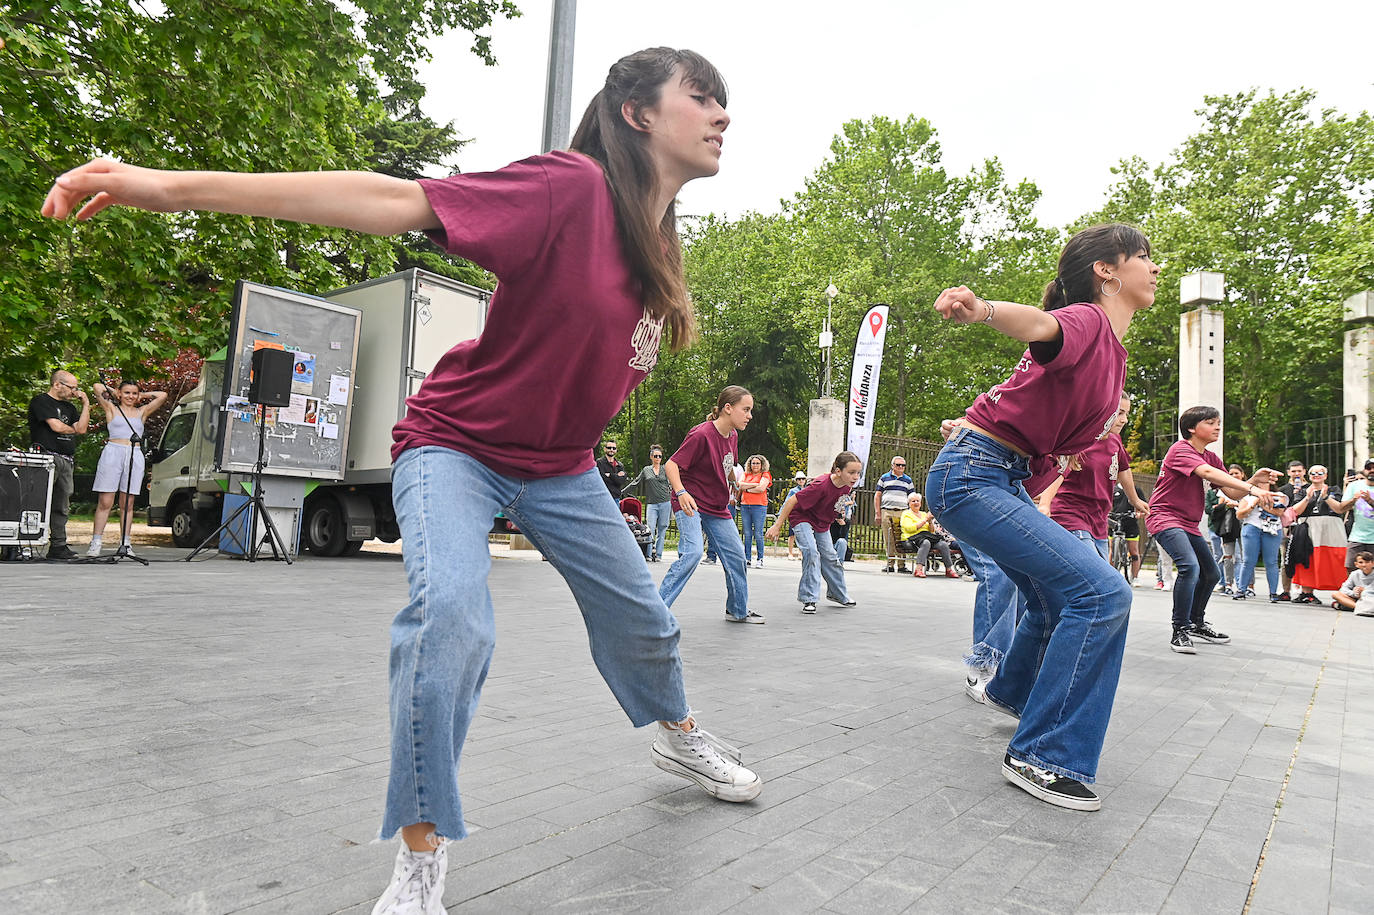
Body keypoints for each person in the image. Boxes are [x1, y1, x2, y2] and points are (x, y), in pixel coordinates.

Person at [44, 47, 763, 913]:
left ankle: (677, 734)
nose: (723, 114)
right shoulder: (567, 188)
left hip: (562, 467)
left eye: (725, 101)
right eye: (704, 97)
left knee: (645, 621)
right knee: (450, 616)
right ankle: (422, 853)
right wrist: (163, 185)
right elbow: (388, 199)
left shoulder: (663, 242)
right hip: (456, 444)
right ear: (639, 113)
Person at [927, 223, 1156, 812]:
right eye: (1144, 258)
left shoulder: (1113, 354)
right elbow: (1040, 325)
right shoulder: (1088, 320)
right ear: (1107, 270)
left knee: (1059, 595)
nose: (1155, 269)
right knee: (1102, 595)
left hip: (994, 475)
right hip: (974, 475)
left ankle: (1013, 692)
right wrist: (982, 310)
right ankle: (1044, 756)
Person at [1147, 405, 1277, 654]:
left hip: (1188, 522)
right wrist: (1253, 490)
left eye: (1218, 422)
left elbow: (1232, 492)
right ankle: (1180, 630)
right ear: (1192, 428)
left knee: (1211, 574)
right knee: (1189, 567)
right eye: (1210, 422)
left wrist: (1253, 481)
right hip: (1165, 516)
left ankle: (1196, 623)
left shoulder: (1211, 457)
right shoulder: (1180, 450)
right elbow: (1205, 472)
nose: (1218, 426)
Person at [659, 385, 764, 624]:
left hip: (717, 507)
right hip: (691, 503)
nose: (750, 415)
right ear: (728, 408)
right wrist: (681, 491)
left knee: (737, 556)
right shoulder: (701, 434)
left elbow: (725, 464)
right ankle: (654, 611)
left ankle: (737, 610)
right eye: (745, 410)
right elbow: (671, 465)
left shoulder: (733, 435)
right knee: (693, 553)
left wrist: (734, 483)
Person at [1041, 394, 1150, 560]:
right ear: (1104, 410)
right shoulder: (1081, 441)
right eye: (1119, 413)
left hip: (1099, 523)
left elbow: (1124, 469)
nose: (1125, 420)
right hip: (1071, 517)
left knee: (1101, 583)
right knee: (1096, 577)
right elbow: (1059, 473)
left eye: (1126, 414)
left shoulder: (1115, 441)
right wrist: (1044, 505)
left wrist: (1135, 500)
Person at [767, 451, 861, 614]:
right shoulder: (821, 484)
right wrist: (777, 525)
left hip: (821, 522)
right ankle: (809, 598)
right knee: (811, 552)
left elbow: (834, 502)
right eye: (851, 472)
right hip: (802, 517)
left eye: (858, 473)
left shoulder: (847, 486)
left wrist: (838, 515)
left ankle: (837, 594)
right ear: (838, 471)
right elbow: (792, 500)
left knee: (830, 557)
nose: (855, 477)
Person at [87, 380, 168, 556]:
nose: (130, 396)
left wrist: (143, 395)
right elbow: (97, 387)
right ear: (120, 394)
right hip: (113, 452)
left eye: (133, 393)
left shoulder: (142, 412)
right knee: (105, 501)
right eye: (126, 393)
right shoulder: (111, 408)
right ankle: (96, 541)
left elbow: (163, 396)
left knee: (128, 502)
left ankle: (126, 543)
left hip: (134, 453)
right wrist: (114, 392)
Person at [27, 369, 91, 560]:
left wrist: (86, 404)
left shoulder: (70, 408)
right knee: (37, 501)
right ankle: (26, 543)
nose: (74, 392)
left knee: (61, 504)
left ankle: (58, 545)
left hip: (66, 459)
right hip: (46, 458)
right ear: (57, 385)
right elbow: (56, 426)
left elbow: (82, 428)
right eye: (72, 387)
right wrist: (74, 429)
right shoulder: (41, 401)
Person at [1233, 472, 1288, 603]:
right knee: (1248, 560)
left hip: (1272, 529)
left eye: (1265, 482)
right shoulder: (1247, 497)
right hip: (1252, 527)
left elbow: (1279, 512)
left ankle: (1273, 593)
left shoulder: (1279, 496)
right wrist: (1253, 504)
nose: (1263, 485)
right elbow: (1240, 514)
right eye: (1260, 483)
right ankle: (1241, 589)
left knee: (1272, 562)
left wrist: (1263, 505)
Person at [1205, 464, 1247, 594]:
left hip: (1242, 525)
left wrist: (1238, 504)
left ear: (1243, 474)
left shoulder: (1247, 489)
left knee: (1241, 557)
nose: (1234, 476)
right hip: (1224, 527)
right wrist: (1223, 504)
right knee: (1224, 556)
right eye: (1231, 474)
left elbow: (1251, 504)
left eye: (1236, 473)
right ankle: (1226, 583)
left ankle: (1242, 585)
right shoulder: (1222, 491)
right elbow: (1209, 509)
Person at [628, 445, 672, 562]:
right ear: (651, 457)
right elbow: (635, 482)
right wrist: (622, 492)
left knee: (662, 528)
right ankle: (648, 554)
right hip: (652, 504)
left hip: (665, 502)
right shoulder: (646, 470)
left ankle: (658, 555)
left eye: (660, 456)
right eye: (655, 456)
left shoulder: (665, 469)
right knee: (650, 528)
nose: (658, 458)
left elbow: (673, 482)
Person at [899, 492, 957, 578]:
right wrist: (925, 519)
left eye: (917, 501)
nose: (916, 503)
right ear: (909, 503)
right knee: (926, 543)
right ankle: (918, 569)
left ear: (920, 503)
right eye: (913, 501)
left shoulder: (923, 514)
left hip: (925, 537)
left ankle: (949, 569)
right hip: (910, 538)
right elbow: (909, 528)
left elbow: (931, 531)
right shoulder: (906, 513)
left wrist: (929, 521)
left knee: (943, 544)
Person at [874, 456, 914, 572]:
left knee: (902, 537)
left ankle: (902, 565)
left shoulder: (908, 480)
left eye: (903, 465)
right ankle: (890, 564)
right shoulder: (884, 478)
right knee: (889, 538)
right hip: (887, 510)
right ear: (892, 466)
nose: (901, 467)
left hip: (903, 511)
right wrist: (878, 513)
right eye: (898, 465)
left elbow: (912, 497)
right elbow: (877, 495)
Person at [1275, 460, 1307, 600]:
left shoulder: (1309, 488)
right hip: (1287, 529)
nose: (1296, 474)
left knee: (1304, 558)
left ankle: (1305, 591)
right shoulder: (1282, 490)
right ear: (1288, 472)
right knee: (1285, 559)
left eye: (1299, 471)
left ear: (1304, 471)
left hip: (1304, 528)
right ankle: (1286, 590)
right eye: (1293, 471)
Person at [738, 454, 771, 568]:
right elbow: (739, 485)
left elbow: (762, 488)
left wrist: (746, 488)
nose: (755, 465)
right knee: (747, 533)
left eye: (757, 463)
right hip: (745, 506)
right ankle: (747, 558)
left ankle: (760, 558)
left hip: (759, 506)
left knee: (758, 533)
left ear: (762, 464)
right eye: (753, 463)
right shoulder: (746, 474)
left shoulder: (765, 474)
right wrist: (755, 485)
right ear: (750, 464)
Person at [782, 471, 806, 559]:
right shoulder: (793, 491)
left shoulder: (807, 489)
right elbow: (787, 502)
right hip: (795, 514)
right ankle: (790, 552)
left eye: (803, 479)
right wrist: (782, 513)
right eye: (799, 479)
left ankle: (800, 553)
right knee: (792, 534)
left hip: (804, 514)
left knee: (802, 535)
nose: (801, 481)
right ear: (796, 480)